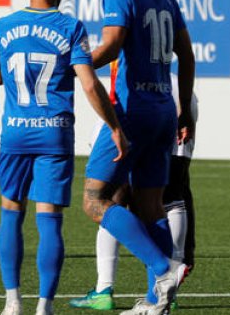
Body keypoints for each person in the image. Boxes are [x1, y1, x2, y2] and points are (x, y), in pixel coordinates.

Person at [0, 0, 129, 315]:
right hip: (54, 134)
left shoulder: (3, 26)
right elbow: (89, 84)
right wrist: (114, 126)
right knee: (49, 218)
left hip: (15, 132)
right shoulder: (70, 27)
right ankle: (44, 306)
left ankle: (12, 302)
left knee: (11, 212)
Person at [77, 0, 194, 315]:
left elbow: (111, 45)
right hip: (163, 111)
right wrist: (184, 108)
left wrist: (76, 63)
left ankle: (165, 269)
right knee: (150, 207)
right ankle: (157, 302)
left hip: (133, 113)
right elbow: (187, 55)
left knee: (94, 200)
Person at [71, 82, 199, 311]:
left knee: (103, 198)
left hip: (131, 100)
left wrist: (77, 63)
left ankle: (105, 289)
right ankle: (162, 295)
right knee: (168, 193)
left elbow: (91, 75)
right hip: (170, 95)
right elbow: (187, 60)